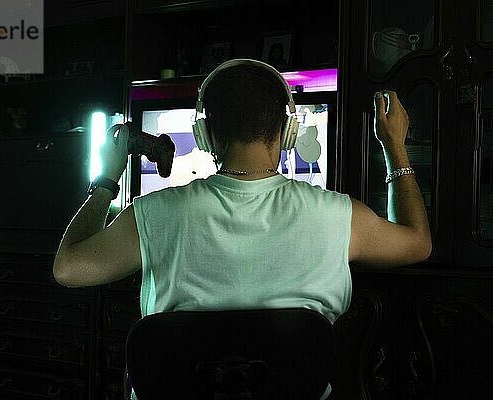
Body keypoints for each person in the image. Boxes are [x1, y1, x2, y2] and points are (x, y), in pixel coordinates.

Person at [52, 59, 431, 399]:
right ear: (288, 131)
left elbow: (68, 268)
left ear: (204, 134)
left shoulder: (153, 213)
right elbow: (417, 243)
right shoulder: (339, 215)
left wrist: (105, 179)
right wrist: (394, 147)